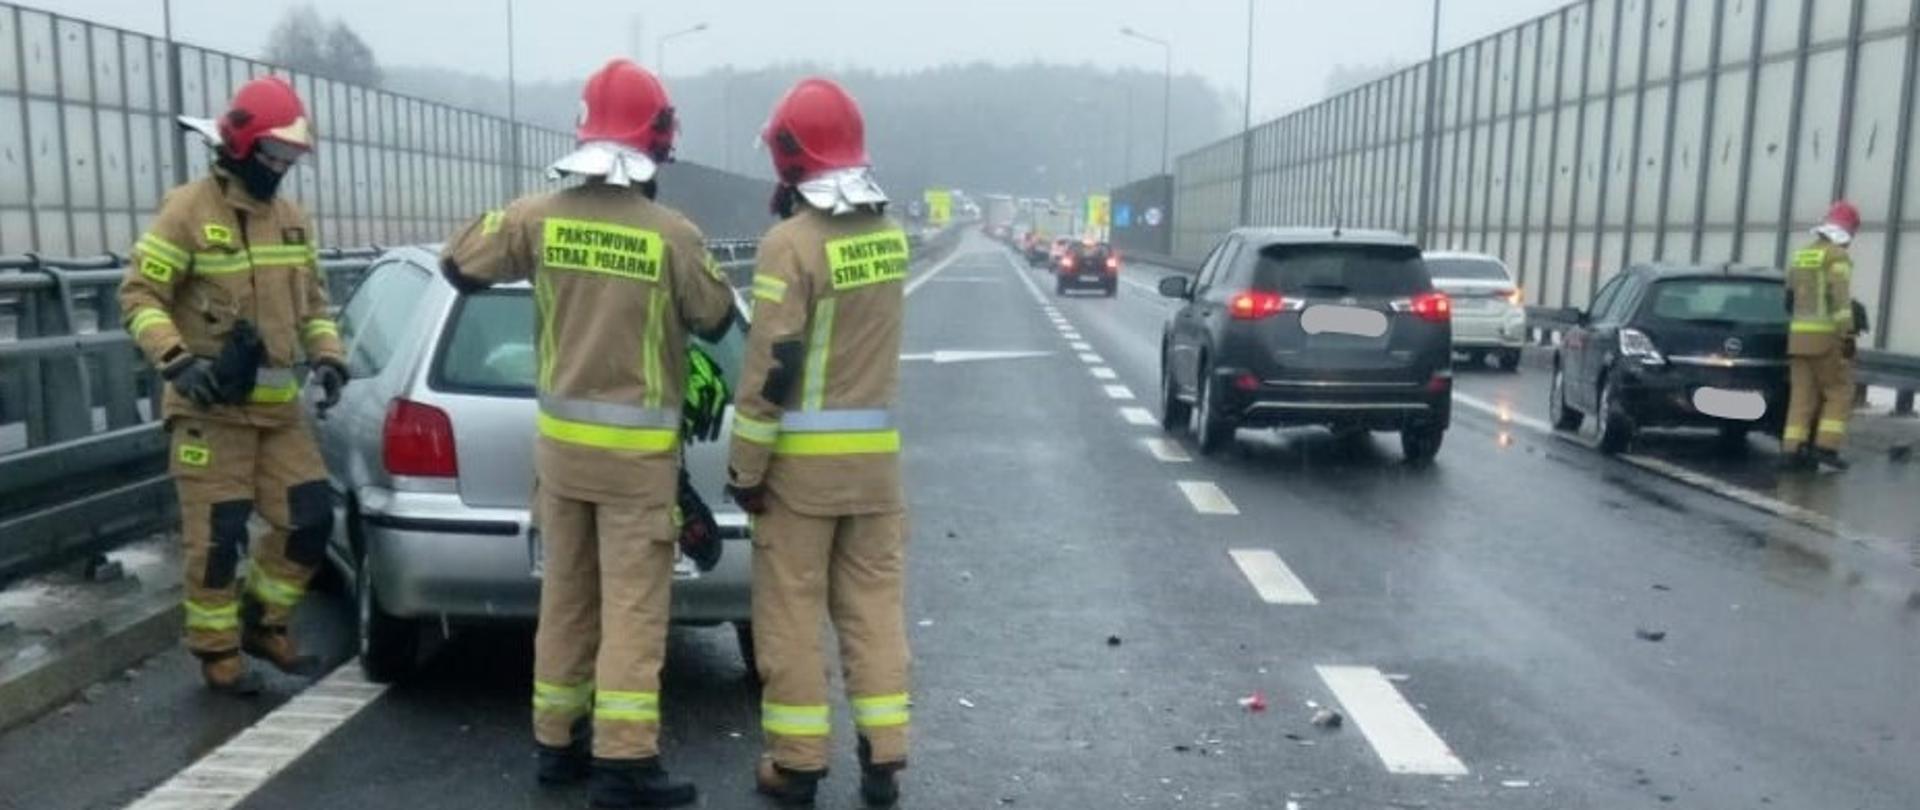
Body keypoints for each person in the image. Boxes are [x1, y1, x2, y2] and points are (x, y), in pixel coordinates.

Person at [439, 59, 734, 809]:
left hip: (562, 460)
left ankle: (556, 745)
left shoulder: (539, 217)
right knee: (633, 608)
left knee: (567, 600)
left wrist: (526, 210)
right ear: (657, 144)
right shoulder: (673, 235)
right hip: (636, 468)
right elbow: (716, 318)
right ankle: (625, 764)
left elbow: (458, 263)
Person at [118, 76, 342, 696]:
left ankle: (261, 623)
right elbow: (139, 294)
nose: (283, 169)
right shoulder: (188, 211)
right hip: (210, 413)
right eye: (275, 156)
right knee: (216, 539)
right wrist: (177, 360)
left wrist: (328, 356)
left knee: (312, 521)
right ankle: (217, 654)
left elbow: (315, 303)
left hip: (278, 415)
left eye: (292, 158)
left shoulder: (291, 221)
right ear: (241, 147)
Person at [727, 77, 912, 807]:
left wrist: (747, 467)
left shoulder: (789, 245)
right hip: (875, 472)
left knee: (793, 615)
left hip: (800, 476)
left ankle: (798, 764)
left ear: (789, 156)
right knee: (873, 610)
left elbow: (775, 360)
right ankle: (884, 756)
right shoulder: (891, 239)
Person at [1782, 200, 1860, 471]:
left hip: (1797, 339)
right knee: (1839, 391)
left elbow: (1789, 297)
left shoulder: (1802, 254)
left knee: (1802, 395)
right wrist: (1847, 335)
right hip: (1826, 339)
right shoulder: (1837, 257)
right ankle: (1826, 447)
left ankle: (1792, 449)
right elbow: (1840, 300)